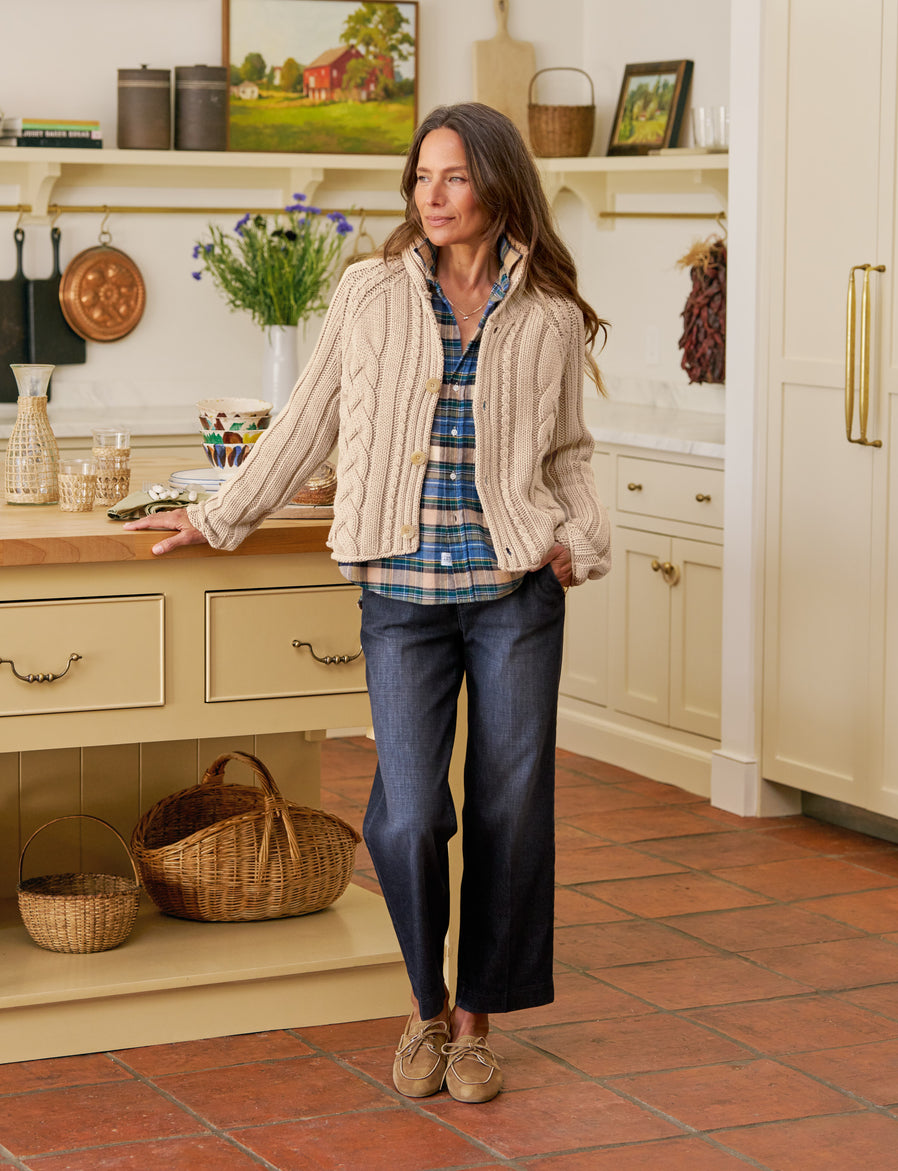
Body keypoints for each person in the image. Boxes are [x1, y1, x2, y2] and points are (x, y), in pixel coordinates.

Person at [124, 101, 610, 1105]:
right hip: (401, 590)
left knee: (513, 807)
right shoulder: (371, 293)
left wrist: (582, 540)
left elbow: (568, 454)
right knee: (407, 815)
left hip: (516, 591)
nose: (430, 196)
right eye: (421, 177)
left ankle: (473, 1026)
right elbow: (307, 422)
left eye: (454, 178)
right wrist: (221, 516)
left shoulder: (550, 315)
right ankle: (423, 1000)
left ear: (499, 187)